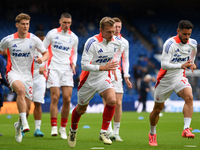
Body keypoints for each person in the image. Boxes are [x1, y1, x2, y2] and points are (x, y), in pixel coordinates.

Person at [67, 16, 122, 148]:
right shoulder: (92, 42)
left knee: (112, 100)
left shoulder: (117, 43)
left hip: (103, 77)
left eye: (113, 31)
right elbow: (84, 65)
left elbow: (112, 58)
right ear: (100, 31)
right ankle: (73, 130)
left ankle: (104, 132)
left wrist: (111, 69)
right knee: (81, 109)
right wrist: (103, 67)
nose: (111, 34)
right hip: (88, 80)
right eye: (108, 32)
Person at [0, 13, 49, 143]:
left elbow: (46, 53)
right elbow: (1, 51)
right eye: (23, 24)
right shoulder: (8, 40)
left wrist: (41, 59)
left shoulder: (33, 39)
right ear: (17, 25)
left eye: (27, 24)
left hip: (28, 76)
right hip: (13, 73)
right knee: (20, 91)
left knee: (27, 109)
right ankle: (26, 125)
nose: (25, 26)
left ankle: (18, 126)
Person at [149, 20, 197, 146]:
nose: (187, 37)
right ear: (178, 31)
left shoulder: (192, 43)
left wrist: (191, 62)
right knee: (157, 109)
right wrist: (181, 64)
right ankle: (152, 133)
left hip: (179, 77)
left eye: (189, 34)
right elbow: (163, 64)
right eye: (184, 34)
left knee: (189, 97)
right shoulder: (169, 44)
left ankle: (186, 128)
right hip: (164, 81)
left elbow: (193, 52)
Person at [43, 12, 78, 139]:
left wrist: (73, 63)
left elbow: (74, 53)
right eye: (64, 22)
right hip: (53, 68)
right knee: (55, 97)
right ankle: (53, 126)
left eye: (69, 23)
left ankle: (63, 128)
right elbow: (43, 48)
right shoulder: (52, 34)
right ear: (60, 21)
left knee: (67, 99)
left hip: (67, 70)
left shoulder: (74, 37)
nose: (67, 25)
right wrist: (43, 64)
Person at [103, 17, 132, 142]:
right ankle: (108, 131)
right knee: (108, 101)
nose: (117, 29)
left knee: (118, 103)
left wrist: (126, 74)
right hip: (105, 72)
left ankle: (116, 132)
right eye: (116, 27)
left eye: (120, 27)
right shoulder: (105, 40)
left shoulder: (124, 42)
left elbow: (125, 59)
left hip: (117, 74)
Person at [32, 31, 47, 137]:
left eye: (42, 40)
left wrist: (44, 67)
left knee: (38, 103)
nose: (41, 42)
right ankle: (22, 126)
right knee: (26, 104)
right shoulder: (28, 49)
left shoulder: (45, 52)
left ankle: (37, 129)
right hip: (27, 77)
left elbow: (49, 62)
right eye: (39, 40)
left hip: (40, 79)